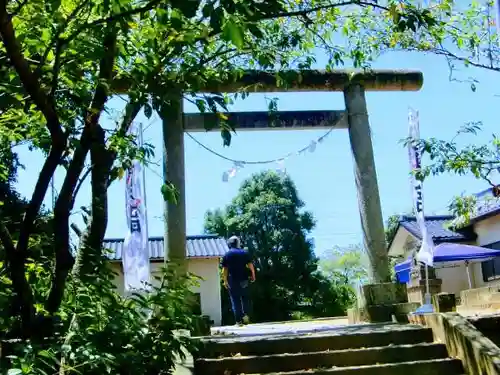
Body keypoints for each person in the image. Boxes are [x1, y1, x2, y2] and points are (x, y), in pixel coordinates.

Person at [221, 236, 256, 325]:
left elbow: (225, 270)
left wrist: (225, 280)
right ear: (238, 243)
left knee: (235, 300)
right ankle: (246, 315)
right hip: (244, 279)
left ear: (229, 244)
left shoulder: (227, 254)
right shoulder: (244, 253)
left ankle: (238, 320)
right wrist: (253, 275)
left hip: (232, 280)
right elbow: (251, 266)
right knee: (245, 298)